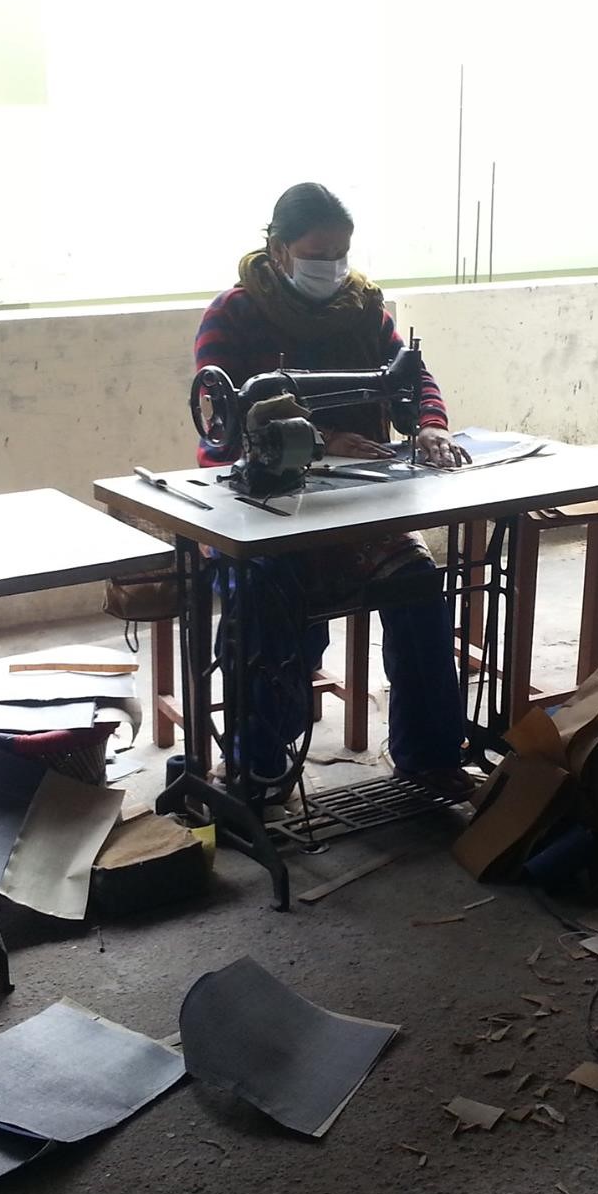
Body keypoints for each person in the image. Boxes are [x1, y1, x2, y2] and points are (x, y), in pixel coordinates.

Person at [193, 182, 469, 800]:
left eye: (341, 253)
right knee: (266, 595)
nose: (333, 267)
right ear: (278, 249)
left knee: (418, 581)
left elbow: (413, 377)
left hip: (354, 503)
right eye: (318, 255)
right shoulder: (233, 315)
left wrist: (430, 424)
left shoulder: (364, 309)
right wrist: (317, 441)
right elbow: (222, 419)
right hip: (256, 505)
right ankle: (257, 766)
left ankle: (430, 757)